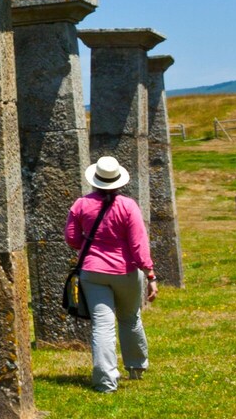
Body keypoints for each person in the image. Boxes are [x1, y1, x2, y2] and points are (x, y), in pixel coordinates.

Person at [64, 156, 158, 393]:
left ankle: (105, 380)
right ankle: (136, 366)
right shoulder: (128, 206)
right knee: (129, 318)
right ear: (119, 182)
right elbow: (138, 245)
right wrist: (150, 274)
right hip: (125, 271)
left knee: (102, 325)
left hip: (92, 271)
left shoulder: (80, 205)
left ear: (95, 180)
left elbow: (72, 239)